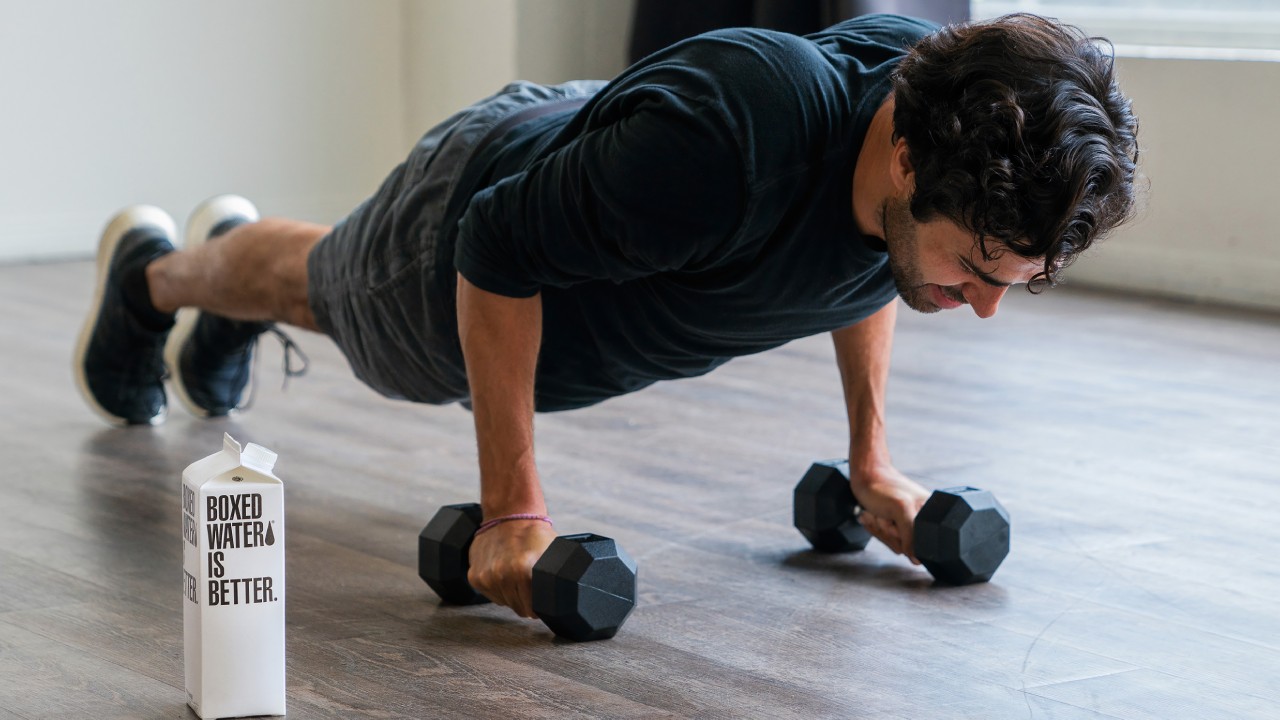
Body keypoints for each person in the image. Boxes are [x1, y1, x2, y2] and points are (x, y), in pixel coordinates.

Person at [74, 13, 1139, 621]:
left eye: (1013, 279)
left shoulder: (925, 117)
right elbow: (496, 247)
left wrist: (871, 462)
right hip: (470, 223)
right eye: (977, 268)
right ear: (904, 160)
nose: (986, 308)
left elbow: (869, 269)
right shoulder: (734, 148)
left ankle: (229, 293)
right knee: (333, 296)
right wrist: (510, 512)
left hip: (610, 170)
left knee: (319, 292)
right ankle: (155, 277)